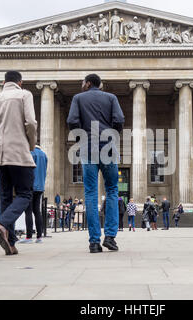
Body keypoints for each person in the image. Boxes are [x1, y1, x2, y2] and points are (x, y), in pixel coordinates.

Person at [67, 73, 125, 254]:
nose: (82, 85)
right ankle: (110, 237)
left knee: (91, 193)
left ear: (89, 83)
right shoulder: (111, 98)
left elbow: (72, 121)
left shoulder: (78, 98)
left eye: (83, 82)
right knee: (113, 191)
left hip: (88, 147)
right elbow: (119, 120)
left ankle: (94, 242)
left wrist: (81, 137)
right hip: (108, 147)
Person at [0, 71, 38, 256]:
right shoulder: (24, 95)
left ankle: (10, 242)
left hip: (0, 153)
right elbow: (31, 122)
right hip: (19, 152)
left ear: (3, 82)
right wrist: (31, 144)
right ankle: (2, 224)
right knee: (25, 194)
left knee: (6, 197)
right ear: (20, 82)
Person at [20, 144, 47, 244]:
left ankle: (29, 236)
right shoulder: (44, 155)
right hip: (40, 186)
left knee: (28, 211)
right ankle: (39, 236)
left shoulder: (31, 153)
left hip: (30, 185)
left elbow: (27, 170)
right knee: (37, 211)